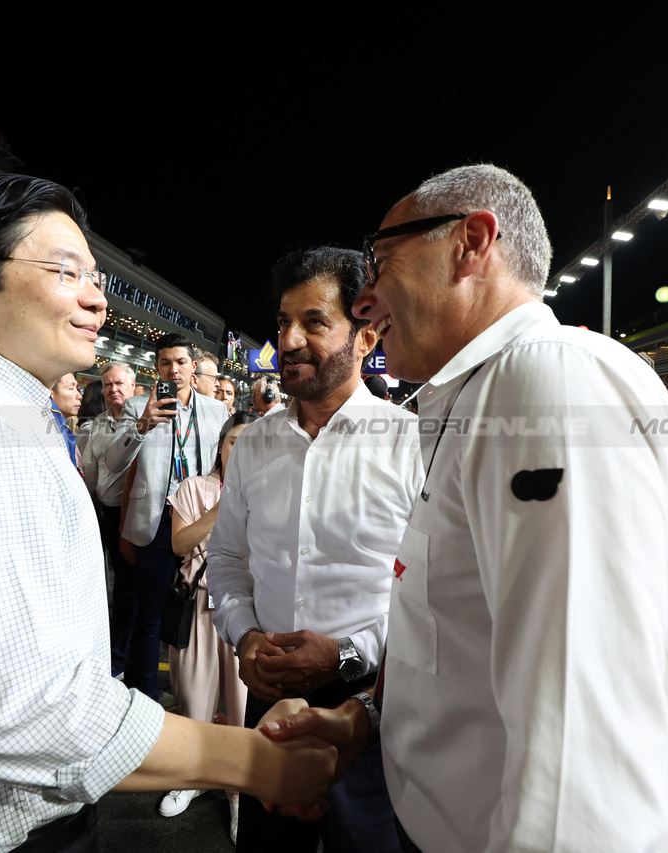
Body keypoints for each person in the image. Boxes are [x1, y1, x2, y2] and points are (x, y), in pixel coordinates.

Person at [0, 175, 339, 853]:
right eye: (65, 271)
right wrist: (255, 761)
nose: (97, 296)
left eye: (94, 275)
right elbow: (20, 709)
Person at [265, 165, 668, 852]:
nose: (364, 299)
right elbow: (465, 635)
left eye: (380, 260)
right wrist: (369, 715)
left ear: (471, 242)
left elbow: (582, 747)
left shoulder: (544, 377)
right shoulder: (476, 395)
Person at [209, 247, 421, 853]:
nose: (290, 340)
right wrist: (246, 637)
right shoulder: (254, 444)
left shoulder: (410, 443)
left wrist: (349, 657)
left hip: (375, 708)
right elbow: (226, 559)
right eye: (282, 322)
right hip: (269, 700)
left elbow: (431, 591)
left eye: (314, 322)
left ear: (365, 335)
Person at [104, 333, 230, 700]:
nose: (173, 370)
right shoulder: (138, 407)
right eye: (165, 363)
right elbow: (114, 464)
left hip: (198, 521)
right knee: (149, 616)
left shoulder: (216, 411)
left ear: (194, 368)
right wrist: (143, 426)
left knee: (198, 611)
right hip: (155, 521)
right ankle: (144, 698)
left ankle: (196, 693)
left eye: (180, 363)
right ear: (156, 367)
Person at [158, 411, 257, 841]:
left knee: (242, 702)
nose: (241, 450)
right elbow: (179, 543)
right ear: (221, 445)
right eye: (235, 441)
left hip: (247, 613)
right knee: (193, 697)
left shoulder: (268, 490)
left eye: (251, 442)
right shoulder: (193, 488)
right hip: (197, 605)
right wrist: (221, 507)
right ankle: (190, 777)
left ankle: (238, 793)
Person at [81, 362, 137, 607]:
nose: (113, 389)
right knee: (116, 581)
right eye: (108, 385)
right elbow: (91, 469)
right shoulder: (97, 424)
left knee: (134, 583)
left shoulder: (149, 421)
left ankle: (128, 642)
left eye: (119, 383)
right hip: (108, 512)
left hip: (137, 513)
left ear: (133, 386)